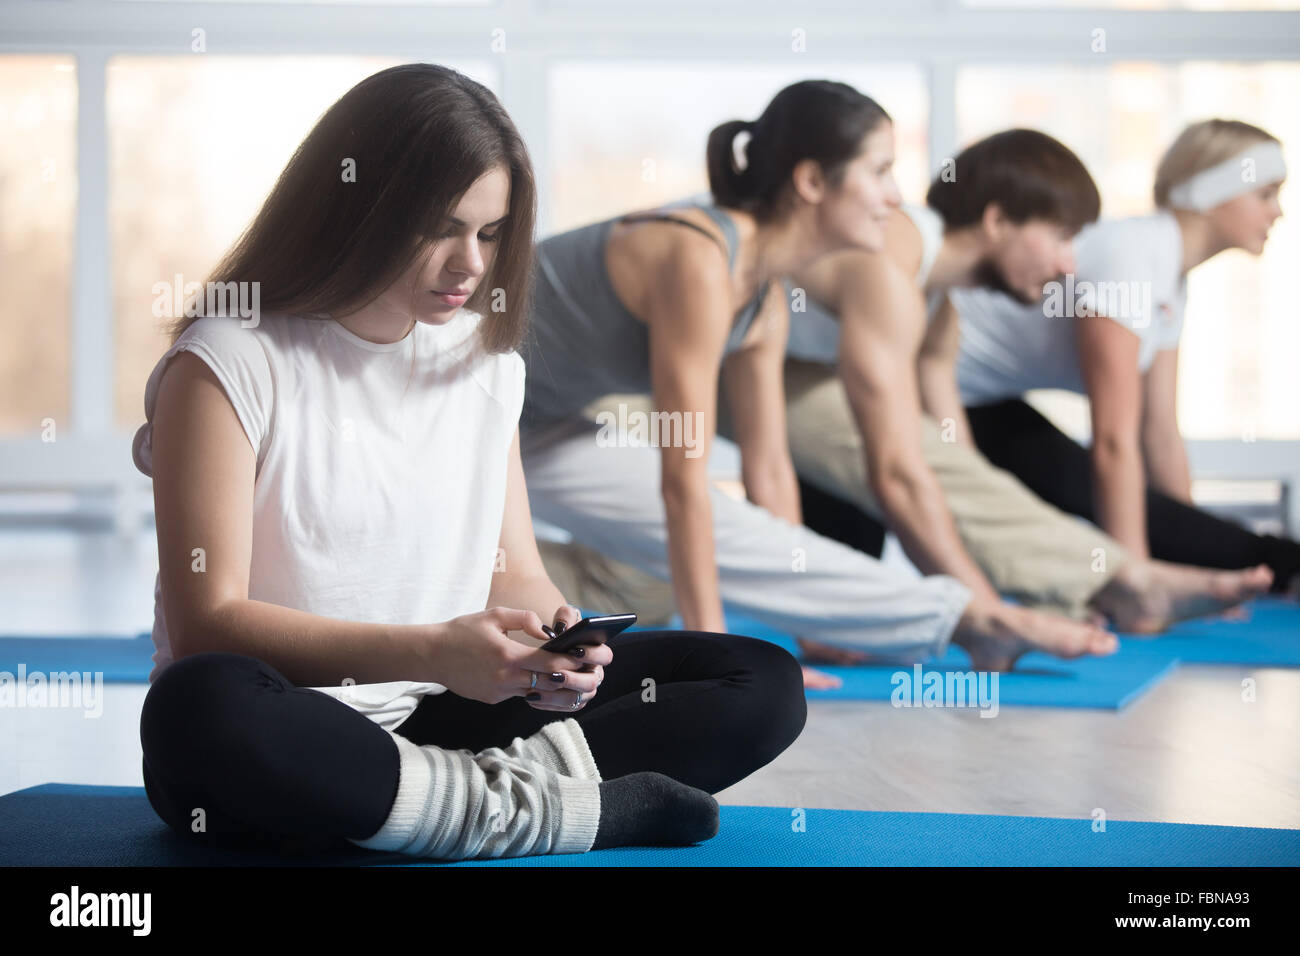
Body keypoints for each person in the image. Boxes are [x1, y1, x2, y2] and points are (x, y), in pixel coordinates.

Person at [134, 63, 807, 863]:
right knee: (197, 705)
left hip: (443, 710)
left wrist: (557, 645)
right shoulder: (226, 361)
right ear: (357, 206)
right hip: (287, 722)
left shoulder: (487, 365)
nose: (472, 265)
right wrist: (431, 650)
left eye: (490, 233)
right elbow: (209, 625)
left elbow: (512, 569)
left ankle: (438, 807)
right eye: (442, 229)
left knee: (759, 681)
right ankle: (556, 810)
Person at [520, 80, 1119, 682]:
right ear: (811, 183)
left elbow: (771, 471)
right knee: (691, 512)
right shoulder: (700, 259)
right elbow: (682, 480)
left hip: (540, 430)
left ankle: (973, 623)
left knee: (740, 529)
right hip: (462, 413)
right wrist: (720, 664)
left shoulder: (769, 295)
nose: (895, 198)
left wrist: (808, 628)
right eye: (881, 172)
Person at [766, 128, 1271, 638]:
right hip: (748, 360)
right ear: (997, 220)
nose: (1070, 264)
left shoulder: (940, 313)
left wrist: (999, 594)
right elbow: (895, 473)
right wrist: (989, 615)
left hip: (785, 363)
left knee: (953, 474)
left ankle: (1119, 583)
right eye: (1060, 237)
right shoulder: (895, 266)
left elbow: (958, 471)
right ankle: (1112, 586)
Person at [952, 119, 1297, 597]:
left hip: (987, 401)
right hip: (951, 395)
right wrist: (1147, 587)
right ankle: (1279, 566)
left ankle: (1259, 568)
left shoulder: (1170, 274)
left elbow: (1158, 433)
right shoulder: (1133, 257)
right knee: (1078, 477)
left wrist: (1189, 570)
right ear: (1211, 193)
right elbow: (1114, 442)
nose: (1277, 212)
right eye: (1265, 194)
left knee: (1127, 495)